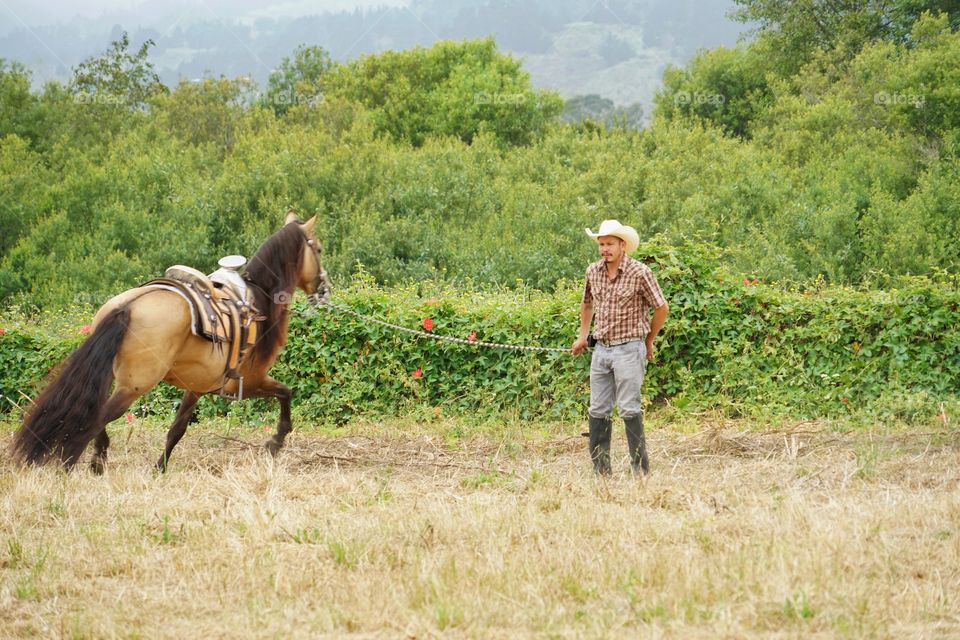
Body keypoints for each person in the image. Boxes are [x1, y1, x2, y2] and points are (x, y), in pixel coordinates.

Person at [571, 220, 668, 476]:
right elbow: (587, 304)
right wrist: (583, 336)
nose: (605, 249)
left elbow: (661, 307)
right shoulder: (593, 271)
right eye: (601, 244)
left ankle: (639, 470)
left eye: (610, 244)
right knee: (598, 409)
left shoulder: (640, 272)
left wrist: (648, 340)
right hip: (601, 350)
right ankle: (601, 471)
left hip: (629, 348)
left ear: (622, 245)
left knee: (629, 408)